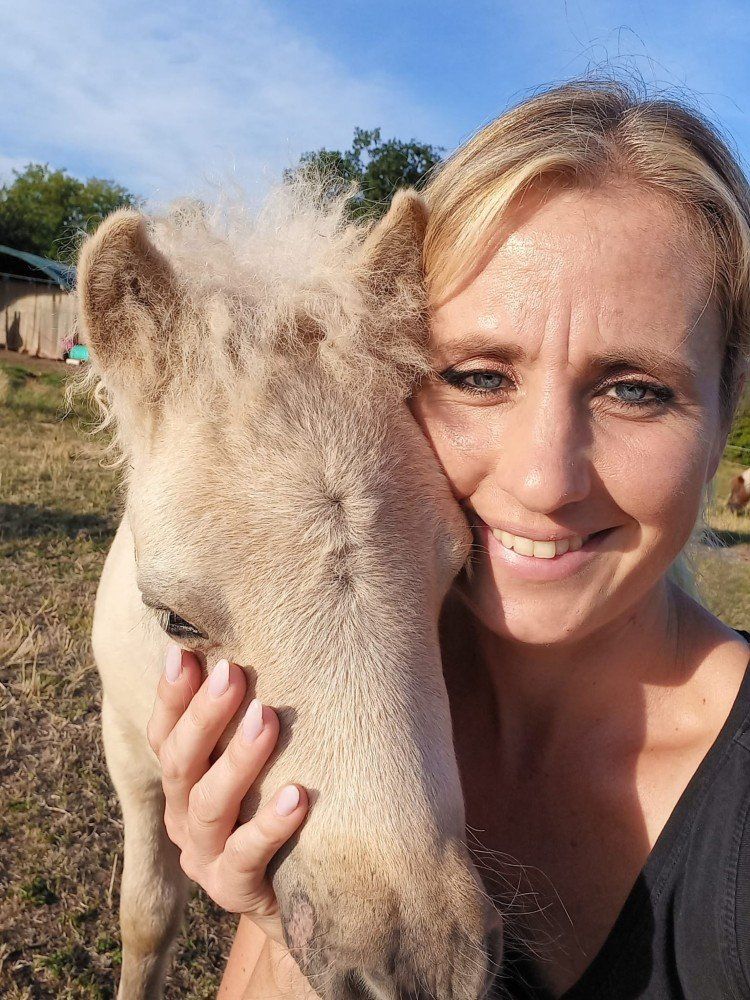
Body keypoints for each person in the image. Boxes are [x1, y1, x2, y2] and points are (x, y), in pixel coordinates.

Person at [145, 79, 750, 998]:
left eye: (635, 389)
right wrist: (285, 921)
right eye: (477, 377)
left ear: (727, 411)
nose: (543, 480)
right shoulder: (359, 691)